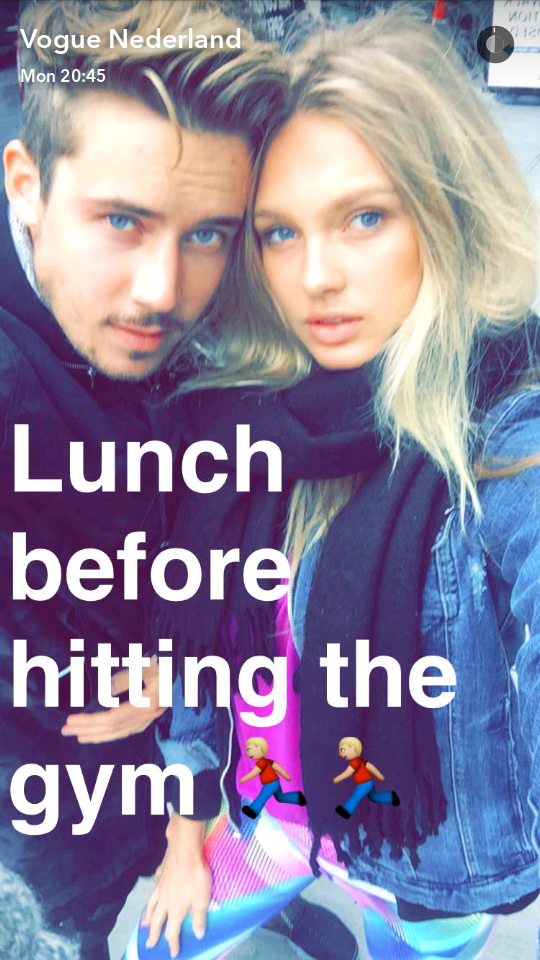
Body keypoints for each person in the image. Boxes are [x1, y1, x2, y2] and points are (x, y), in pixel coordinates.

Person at [137, 5, 540, 959]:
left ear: (448, 210)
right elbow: (197, 644)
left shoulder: (500, 435)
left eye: (365, 217)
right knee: (155, 948)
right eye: (279, 233)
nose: (315, 276)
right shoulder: (246, 413)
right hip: (273, 820)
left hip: (427, 872)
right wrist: (186, 834)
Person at [0, 1, 286, 957]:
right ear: (27, 184)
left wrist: (191, 657)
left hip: (214, 759)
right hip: (57, 798)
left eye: (208, 234)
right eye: (122, 221)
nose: (164, 291)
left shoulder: (246, 290)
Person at [240, 736, 307, 819]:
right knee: (280, 797)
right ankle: (298, 797)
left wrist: (245, 778)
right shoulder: (268, 761)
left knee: (263, 796)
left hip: (270, 783)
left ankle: (253, 811)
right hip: (275, 782)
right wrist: (286, 776)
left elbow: (254, 772)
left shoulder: (261, 763)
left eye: (249, 750)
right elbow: (278, 768)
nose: (248, 754)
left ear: (259, 748)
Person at [333, 737, 400, 819]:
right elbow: (372, 767)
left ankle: (347, 810)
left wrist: (337, 779)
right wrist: (380, 776)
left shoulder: (355, 762)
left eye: (342, 750)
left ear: (353, 748)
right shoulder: (361, 761)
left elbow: (348, 773)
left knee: (357, 796)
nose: (340, 754)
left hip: (364, 784)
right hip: (368, 782)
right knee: (374, 797)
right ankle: (392, 797)